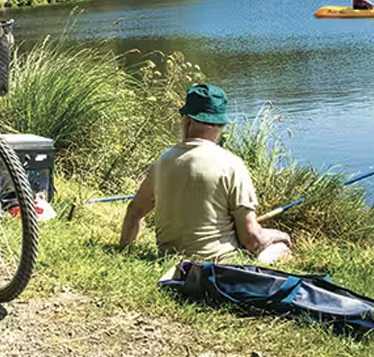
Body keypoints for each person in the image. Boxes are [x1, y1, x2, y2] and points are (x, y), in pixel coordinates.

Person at [120, 83, 292, 263]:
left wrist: (125, 252)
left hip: (168, 259)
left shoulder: (162, 161)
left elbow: (135, 211)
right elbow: (251, 240)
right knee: (281, 246)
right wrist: (279, 236)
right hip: (219, 264)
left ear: (186, 120)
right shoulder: (232, 164)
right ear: (220, 124)